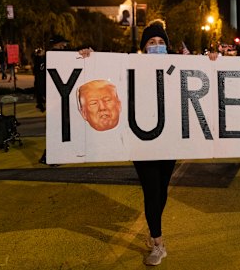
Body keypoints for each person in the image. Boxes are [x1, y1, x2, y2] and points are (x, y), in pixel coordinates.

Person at [79, 19, 218, 266]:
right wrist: (88, 58)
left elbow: (201, 76)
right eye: (151, 42)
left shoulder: (177, 65)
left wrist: (212, 60)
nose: (156, 45)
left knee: (161, 189)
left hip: (169, 139)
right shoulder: (131, 65)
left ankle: (153, 231)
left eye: (161, 42)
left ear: (167, 45)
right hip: (142, 140)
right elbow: (103, 76)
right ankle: (158, 242)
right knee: (152, 190)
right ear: (144, 47)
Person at [38, 35, 71, 165]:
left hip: (57, 95)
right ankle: (51, 156)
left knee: (58, 127)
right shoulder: (54, 57)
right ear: (58, 44)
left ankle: (51, 155)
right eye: (63, 43)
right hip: (56, 97)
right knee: (58, 128)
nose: (65, 46)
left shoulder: (47, 57)